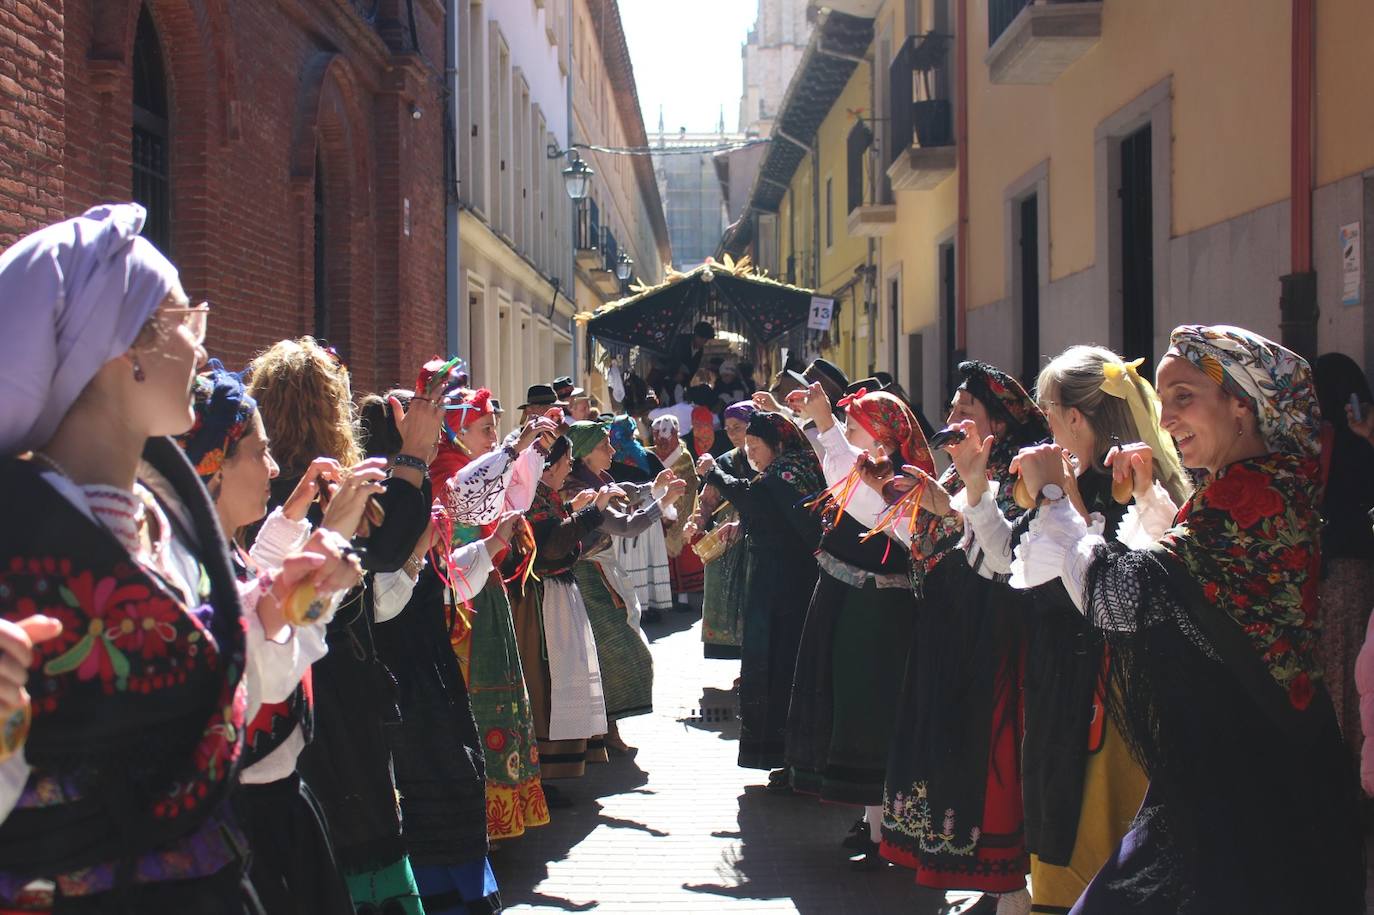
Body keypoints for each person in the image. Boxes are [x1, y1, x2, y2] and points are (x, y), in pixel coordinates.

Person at [0, 205, 359, 913]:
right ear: (120, 349)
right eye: (182, 320)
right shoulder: (17, 527)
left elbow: (214, 715)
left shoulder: (169, 517)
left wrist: (284, 604)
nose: (202, 348)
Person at [1010, 325, 1363, 913]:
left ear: (1241, 406)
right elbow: (1188, 581)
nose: (1166, 418)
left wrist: (1055, 500)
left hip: (1244, 775)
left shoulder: (1246, 499)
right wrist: (1150, 501)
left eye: (1184, 397)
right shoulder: (1262, 483)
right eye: (1164, 398)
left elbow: (1118, 600)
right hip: (1263, 762)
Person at [949, 347, 1189, 914]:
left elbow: (1099, 582)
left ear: (1076, 420)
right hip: (1067, 687)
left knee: (1102, 843)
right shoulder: (1081, 481)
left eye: (1051, 418)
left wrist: (1060, 494)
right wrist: (977, 486)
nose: (1047, 430)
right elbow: (1013, 564)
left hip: (1109, 704)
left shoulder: (1123, 487)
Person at [179, 360, 381, 915]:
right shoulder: (192, 563)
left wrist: (299, 526)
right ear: (215, 465)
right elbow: (268, 652)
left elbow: (259, 587)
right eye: (259, 453)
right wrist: (330, 537)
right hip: (251, 811)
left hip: (279, 797)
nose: (272, 469)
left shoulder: (215, 550)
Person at [250, 337, 442, 915]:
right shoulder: (314, 490)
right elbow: (382, 551)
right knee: (351, 826)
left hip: (301, 682)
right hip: (323, 682)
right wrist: (412, 456)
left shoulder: (281, 486)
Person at [868, 361, 1045, 909]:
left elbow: (999, 556)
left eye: (966, 412)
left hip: (986, 631)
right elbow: (921, 544)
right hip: (944, 626)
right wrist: (904, 502)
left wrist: (949, 504)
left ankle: (1007, 885)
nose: (951, 420)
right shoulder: (950, 476)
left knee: (981, 760)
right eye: (950, 410)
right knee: (947, 755)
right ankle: (985, 880)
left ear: (998, 424)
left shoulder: (1015, 477)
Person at [362, 388, 530, 915]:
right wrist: (416, 550)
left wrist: (493, 542)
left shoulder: (412, 497)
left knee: (455, 788)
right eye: (426, 425)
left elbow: (443, 583)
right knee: (427, 800)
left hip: (432, 676)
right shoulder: (377, 506)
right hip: (402, 684)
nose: (439, 437)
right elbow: (382, 603)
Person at [785, 383, 931, 869]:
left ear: (883, 442)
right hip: (856, 600)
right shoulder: (870, 475)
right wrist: (823, 424)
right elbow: (841, 468)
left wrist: (825, 425)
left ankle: (887, 827)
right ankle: (875, 824)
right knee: (858, 707)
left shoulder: (907, 484)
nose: (847, 438)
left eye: (856, 430)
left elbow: (874, 507)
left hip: (880, 612)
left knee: (872, 710)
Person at [425, 379, 555, 836]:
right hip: (461, 604)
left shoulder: (467, 465)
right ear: (456, 429)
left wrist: (525, 452)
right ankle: (482, 819)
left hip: (483, 591)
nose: (490, 437)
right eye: (484, 427)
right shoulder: (445, 469)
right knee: (474, 702)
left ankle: (501, 816)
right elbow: (467, 502)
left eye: (493, 428)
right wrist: (515, 448)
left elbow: (499, 499)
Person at [696, 412, 824, 772]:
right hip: (779, 579)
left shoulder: (788, 472)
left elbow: (755, 498)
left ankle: (789, 759)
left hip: (786, 585)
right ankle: (782, 758)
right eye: (747, 447)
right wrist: (742, 524)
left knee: (780, 664)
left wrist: (715, 474)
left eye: (755, 447)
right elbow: (769, 510)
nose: (750, 455)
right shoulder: (788, 469)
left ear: (778, 445)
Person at [564, 420, 684, 750]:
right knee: (616, 648)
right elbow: (626, 526)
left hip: (601, 573)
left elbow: (627, 492)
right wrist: (661, 502)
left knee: (607, 652)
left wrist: (655, 488)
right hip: (586, 577)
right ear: (586, 454)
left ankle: (605, 729)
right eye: (605, 446)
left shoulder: (595, 481)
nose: (613, 450)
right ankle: (600, 730)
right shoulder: (579, 491)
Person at [510, 437, 616, 780]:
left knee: (559, 678)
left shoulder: (544, 496)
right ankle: (542, 770)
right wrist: (590, 513)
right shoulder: (534, 498)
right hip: (540, 602)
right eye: (567, 461)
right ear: (549, 466)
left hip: (554, 597)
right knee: (545, 681)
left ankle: (552, 768)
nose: (570, 467)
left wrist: (577, 512)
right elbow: (551, 546)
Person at [1312, 352, 1374, 758]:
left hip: (1331, 576)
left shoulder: (1324, 442)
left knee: (1336, 675)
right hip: (1363, 575)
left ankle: (1339, 762)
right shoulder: (1364, 441)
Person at [695, 402, 758, 658]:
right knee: (729, 600)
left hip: (755, 539)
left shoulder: (768, 458)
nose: (732, 433)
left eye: (738, 427)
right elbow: (708, 500)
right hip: (727, 542)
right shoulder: (725, 460)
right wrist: (696, 522)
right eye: (728, 428)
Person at [607, 416, 674, 622]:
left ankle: (631, 604)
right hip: (647, 511)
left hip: (623, 514)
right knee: (646, 557)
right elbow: (663, 482)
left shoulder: (609, 459)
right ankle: (647, 605)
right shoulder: (647, 455)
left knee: (627, 560)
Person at [650, 414, 702, 607]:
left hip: (681, 508)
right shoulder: (651, 454)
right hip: (660, 506)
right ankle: (665, 594)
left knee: (681, 553)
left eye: (665, 433)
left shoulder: (684, 456)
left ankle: (682, 595)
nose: (661, 439)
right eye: (656, 434)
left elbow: (689, 483)